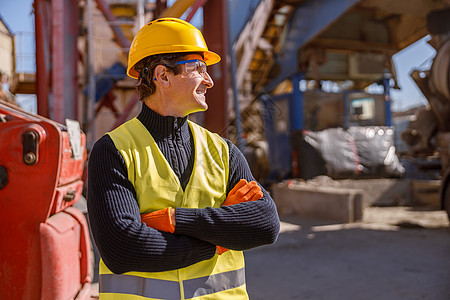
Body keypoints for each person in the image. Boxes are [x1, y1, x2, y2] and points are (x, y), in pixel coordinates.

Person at [87, 17, 280, 300]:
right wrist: (218, 243)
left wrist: (176, 220)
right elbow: (123, 249)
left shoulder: (223, 151)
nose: (209, 80)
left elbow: (264, 224)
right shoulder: (113, 151)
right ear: (163, 76)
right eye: (198, 69)